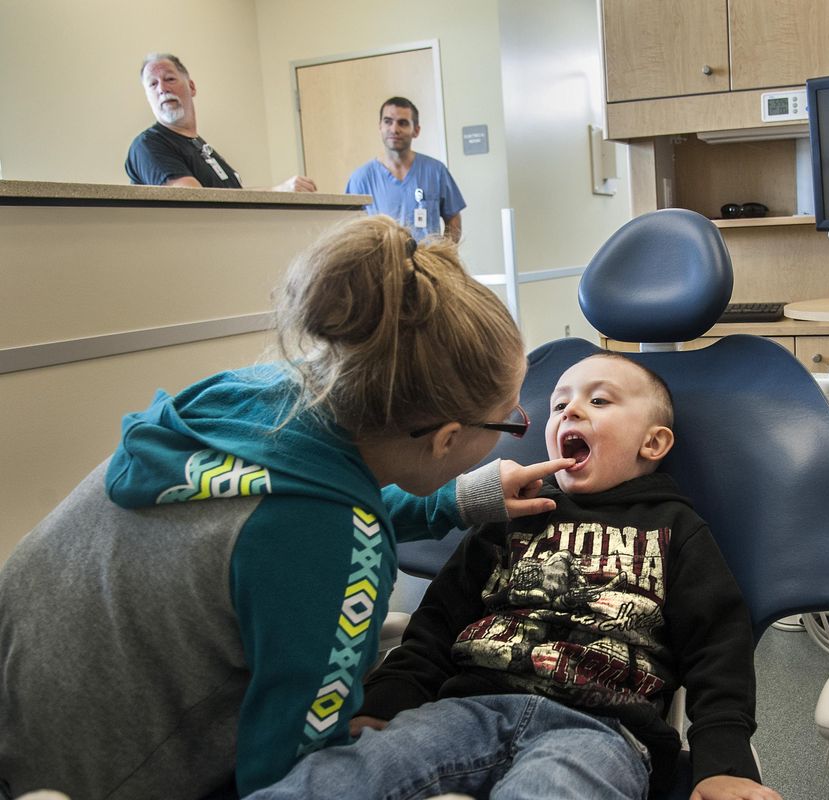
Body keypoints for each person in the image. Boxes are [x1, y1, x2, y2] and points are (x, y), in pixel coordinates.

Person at [0, 215, 573, 799]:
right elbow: (285, 775)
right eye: (510, 418)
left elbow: (309, 499)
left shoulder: (261, 396)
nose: (523, 427)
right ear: (446, 438)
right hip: (92, 778)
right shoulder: (335, 549)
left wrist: (456, 499)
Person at [248, 353, 781, 800]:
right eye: (559, 403)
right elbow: (437, 621)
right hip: (463, 708)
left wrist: (723, 763)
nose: (570, 407)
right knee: (335, 777)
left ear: (654, 443)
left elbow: (718, 650)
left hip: (599, 729)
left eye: (599, 400)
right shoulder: (513, 517)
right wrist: (385, 702)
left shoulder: (677, 530)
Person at [126, 52, 317, 192]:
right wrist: (278, 191)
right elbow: (196, 201)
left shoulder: (200, 146)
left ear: (191, 87)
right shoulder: (149, 145)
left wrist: (281, 193)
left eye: (169, 79)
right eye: (153, 84)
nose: (162, 88)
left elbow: (234, 198)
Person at [345, 97, 466, 242]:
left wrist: (444, 256)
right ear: (380, 127)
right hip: (383, 264)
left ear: (416, 130)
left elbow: (453, 219)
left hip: (426, 263)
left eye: (402, 123)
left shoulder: (435, 171)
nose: (394, 129)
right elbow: (350, 231)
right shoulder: (361, 179)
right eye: (388, 121)